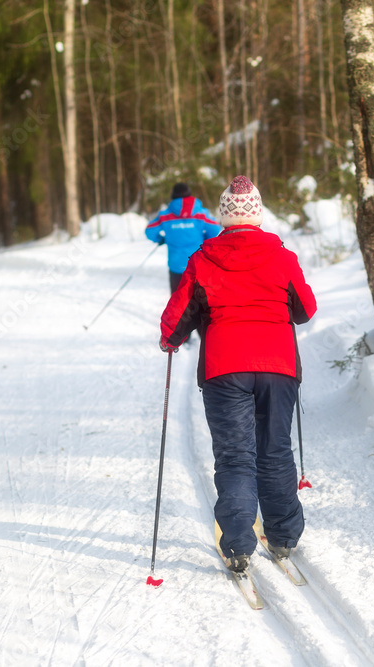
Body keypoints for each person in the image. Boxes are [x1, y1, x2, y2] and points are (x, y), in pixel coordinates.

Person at [158, 175, 317, 573]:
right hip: (278, 368)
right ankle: (282, 537)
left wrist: (170, 339)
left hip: (224, 369)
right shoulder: (282, 256)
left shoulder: (203, 258)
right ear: (257, 214)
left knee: (235, 457)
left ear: (225, 216)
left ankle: (239, 545)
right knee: (275, 451)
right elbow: (305, 309)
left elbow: (179, 313)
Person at [145, 183, 221, 293]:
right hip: (197, 265)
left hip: (176, 266)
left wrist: (160, 239)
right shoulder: (201, 213)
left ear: (173, 196)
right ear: (189, 195)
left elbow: (150, 231)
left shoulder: (165, 215)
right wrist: (204, 238)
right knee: (198, 302)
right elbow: (214, 228)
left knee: (177, 302)